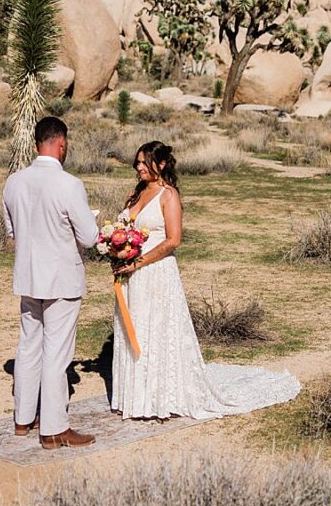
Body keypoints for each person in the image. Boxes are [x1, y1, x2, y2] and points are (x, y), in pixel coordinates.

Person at [109, 140, 300, 420]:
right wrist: (116, 251)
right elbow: (124, 228)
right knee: (134, 329)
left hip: (156, 273)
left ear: (160, 164)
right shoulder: (134, 194)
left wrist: (138, 262)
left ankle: (159, 397)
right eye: (136, 162)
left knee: (156, 331)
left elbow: (173, 240)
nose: (138, 167)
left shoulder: (168, 195)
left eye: (144, 162)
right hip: (130, 276)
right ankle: (135, 396)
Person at [1, 116, 101, 449]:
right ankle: (54, 428)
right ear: (61, 143)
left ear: (36, 144)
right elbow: (89, 237)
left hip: (28, 276)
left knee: (28, 347)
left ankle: (23, 419)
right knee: (57, 354)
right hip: (60, 279)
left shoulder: (14, 182)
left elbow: (12, 232)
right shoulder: (69, 184)